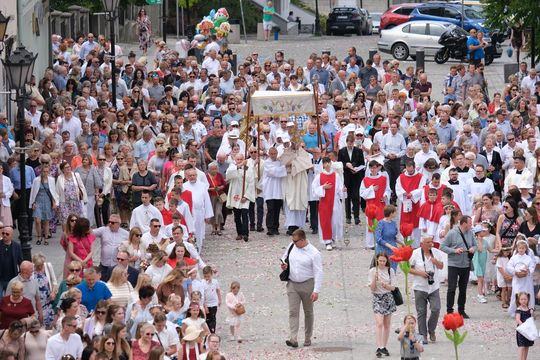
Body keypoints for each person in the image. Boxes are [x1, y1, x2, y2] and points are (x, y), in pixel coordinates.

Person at [280, 229, 322, 348]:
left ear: (303, 240)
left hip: (307, 284)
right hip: (292, 284)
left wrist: (316, 291)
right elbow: (284, 257)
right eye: (292, 240)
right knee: (293, 312)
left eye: (296, 241)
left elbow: (319, 272)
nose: (293, 243)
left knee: (308, 312)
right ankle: (293, 338)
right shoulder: (292, 246)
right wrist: (284, 264)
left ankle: (307, 337)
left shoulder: (314, 253)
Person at [440, 215, 476, 318]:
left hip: (466, 264)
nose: (471, 225)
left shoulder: (470, 233)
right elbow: (442, 247)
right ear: (464, 223)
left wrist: (473, 248)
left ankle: (461, 310)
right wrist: (454, 251)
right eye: (470, 223)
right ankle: (449, 310)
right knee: (451, 288)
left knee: (463, 288)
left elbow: (475, 244)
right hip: (454, 264)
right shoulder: (452, 233)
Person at [409, 236, 444, 343]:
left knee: (436, 309)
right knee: (421, 312)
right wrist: (420, 273)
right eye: (428, 242)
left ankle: (431, 329)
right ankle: (423, 335)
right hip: (420, 287)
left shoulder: (436, 252)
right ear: (422, 244)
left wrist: (436, 262)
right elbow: (408, 268)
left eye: (431, 242)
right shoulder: (415, 253)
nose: (430, 244)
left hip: (433, 287)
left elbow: (441, 266)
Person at [311, 157, 347, 250]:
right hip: (324, 202)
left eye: (328, 163)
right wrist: (323, 187)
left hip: (334, 201)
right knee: (326, 221)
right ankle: (327, 241)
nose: (327, 164)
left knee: (335, 221)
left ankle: (333, 239)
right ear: (323, 164)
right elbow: (314, 189)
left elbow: (339, 188)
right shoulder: (319, 176)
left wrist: (342, 190)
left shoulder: (336, 175)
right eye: (325, 163)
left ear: (331, 164)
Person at [368, 252, 396, 358]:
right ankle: (379, 346)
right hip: (377, 297)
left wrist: (385, 285)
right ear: (377, 261)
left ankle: (384, 346)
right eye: (380, 261)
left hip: (388, 297)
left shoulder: (390, 270)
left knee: (387, 324)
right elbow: (372, 289)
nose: (382, 263)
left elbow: (393, 287)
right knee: (379, 323)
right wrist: (374, 280)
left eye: (384, 261)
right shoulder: (373, 271)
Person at [182, 167, 213, 252]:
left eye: (194, 175)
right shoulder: (184, 186)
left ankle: (198, 249)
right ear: (187, 176)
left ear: (196, 175)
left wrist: (208, 215)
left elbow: (206, 200)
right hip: (189, 212)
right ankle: (190, 250)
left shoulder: (202, 186)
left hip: (199, 212)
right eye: (190, 175)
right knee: (190, 231)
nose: (192, 177)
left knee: (199, 232)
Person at [226, 153, 255, 242]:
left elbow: (251, 183)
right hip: (235, 195)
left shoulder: (248, 169)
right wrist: (239, 165)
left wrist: (246, 196)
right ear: (235, 160)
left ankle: (245, 233)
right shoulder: (232, 167)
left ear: (244, 159)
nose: (239, 161)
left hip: (244, 195)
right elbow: (229, 175)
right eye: (237, 159)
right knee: (237, 216)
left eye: (241, 159)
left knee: (245, 214)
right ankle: (239, 233)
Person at [93, 214, 129, 282]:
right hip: (104, 265)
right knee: (101, 283)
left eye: (112, 222)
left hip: (117, 265)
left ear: (118, 224)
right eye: (109, 221)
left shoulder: (126, 234)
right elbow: (91, 233)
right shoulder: (103, 230)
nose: (110, 224)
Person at [30, 164, 58, 245]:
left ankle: (45, 238)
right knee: (38, 220)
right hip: (38, 201)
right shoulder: (36, 180)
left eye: (47, 171)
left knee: (46, 221)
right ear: (41, 172)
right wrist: (33, 202)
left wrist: (54, 202)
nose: (45, 173)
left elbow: (53, 192)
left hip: (47, 201)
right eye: (44, 171)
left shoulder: (51, 180)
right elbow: (33, 192)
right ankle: (39, 237)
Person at [506, 239, 536, 316]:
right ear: (517, 248)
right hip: (517, 279)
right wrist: (515, 272)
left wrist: (527, 271)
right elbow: (508, 266)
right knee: (516, 293)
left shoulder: (528, 258)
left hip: (526, 280)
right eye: (520, 248)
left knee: (527, 294)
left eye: (523, 248)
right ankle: (516, 311)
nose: (521, 250)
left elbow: (532, 267)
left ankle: (527, 311)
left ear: (526, 249)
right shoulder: (514, 258)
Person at [262, 147, 287, 236]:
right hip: (270, 189)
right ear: (269, 154)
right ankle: (270, 227)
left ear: (277, 153)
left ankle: (276, 227)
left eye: (274, 154)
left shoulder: (280, 162)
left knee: (277, 210)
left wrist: (284, 166)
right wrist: (285, 167)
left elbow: (282, 172)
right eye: (271, 154)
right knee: (270, 209)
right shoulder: (266, 163)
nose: (273, 155)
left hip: (278, 190)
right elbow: (273, 172)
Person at [0, 225, 22, 296]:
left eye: (7, 234)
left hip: (12, 278)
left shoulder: (16, 246)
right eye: (3, 233)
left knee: (9, 298)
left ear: (11, 235)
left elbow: (20, 261)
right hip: (0, 278)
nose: (4, 235)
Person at [515, 292, 534, 360]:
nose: (523, 301)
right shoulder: (519, 309)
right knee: (521, 346)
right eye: (522, 299)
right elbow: (517, 319)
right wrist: (523, 326)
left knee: (527, 346)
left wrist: (532, 313)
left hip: (528, 330)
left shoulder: (529, 309)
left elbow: (531, 319)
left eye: (525, 299)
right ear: (519, 300)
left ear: (527, 300)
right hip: (522, 330)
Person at [202, 265, 221, 334]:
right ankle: (208, 332)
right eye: (205, 276)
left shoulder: (215, 282)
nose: (207, 278)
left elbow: (218, 290)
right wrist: (205, 305)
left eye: (208, 276)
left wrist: (220, 299)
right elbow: (203, 295)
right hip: (207, 303)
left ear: (211, 274)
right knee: (207, 319)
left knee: (213, 318)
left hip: (214, 303)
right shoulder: (203, 283)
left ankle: (212, 332)